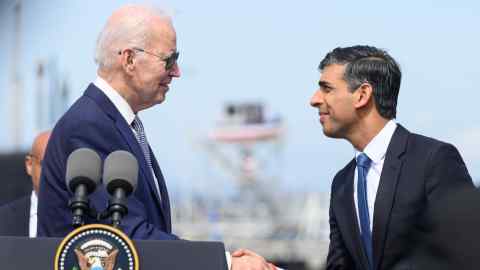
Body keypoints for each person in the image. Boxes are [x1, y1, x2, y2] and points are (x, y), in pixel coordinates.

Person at [37, 5, 275, 270]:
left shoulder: (118, 124)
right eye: (169, 60)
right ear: (129, 60)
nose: (177, 72)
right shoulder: (89, 126)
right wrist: (226, 263)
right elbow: (126, 236)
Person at [309, 45, 473, 270]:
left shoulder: (433, 161)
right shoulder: (342, 184)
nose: (314, 100)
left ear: (362, 95)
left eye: (327, 89)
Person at [0, 130, 51, 237]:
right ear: (29, 165)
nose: (52, 172)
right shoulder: (3, 220)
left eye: (59, 165)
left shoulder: (87, 220)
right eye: (46, 164)